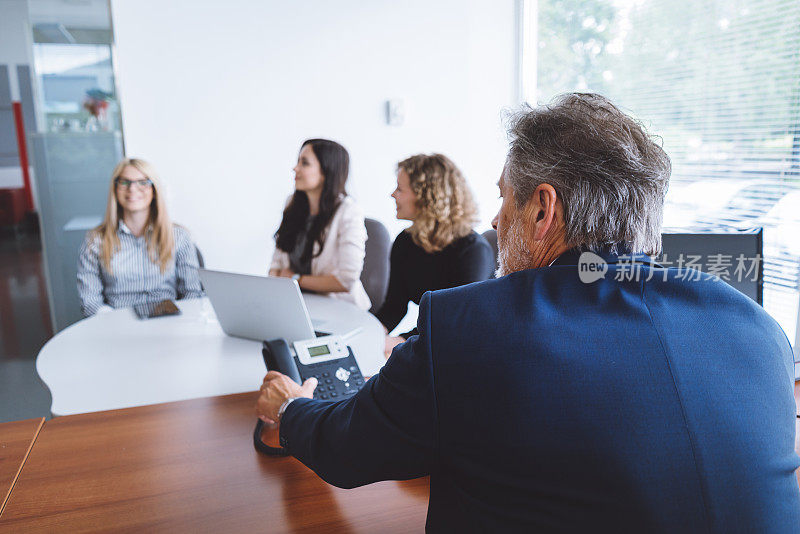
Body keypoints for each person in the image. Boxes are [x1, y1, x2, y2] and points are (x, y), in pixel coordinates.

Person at [256, 94, 800, 532]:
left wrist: (293, 410)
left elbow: (351, 450)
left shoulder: (469, 328)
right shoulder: (762, 333)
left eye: (504, 199)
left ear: (541, 209)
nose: (494, 219)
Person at [376, 154, 494, 354]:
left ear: (426, 197)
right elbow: (394, 307)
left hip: (470, 347)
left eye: (400, 189)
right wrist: (371, 334)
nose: (392, 194)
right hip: (434, 341)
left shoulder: (473, 251)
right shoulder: (405, 241)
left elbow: (455, 323)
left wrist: (401, 340)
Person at [77, 158, 203, 317]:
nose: (133, 189)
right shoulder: (95, 240)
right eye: (125, 182)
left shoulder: (179, 236)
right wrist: (113, 323)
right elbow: (89, 301)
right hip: (116, 324)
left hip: (168, 322)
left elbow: (192, 293)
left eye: (143, 182)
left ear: (154, 189)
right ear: (115, 189)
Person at [269, 139, 370, 310]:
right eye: (298, 161)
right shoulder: (292, 204)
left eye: (305, 163)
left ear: (326, 171)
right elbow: (276, 266)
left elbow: (346, 280)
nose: (295, 168)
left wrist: (296, 279)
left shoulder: (349, 211)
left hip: (339, 309)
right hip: (296, 306)